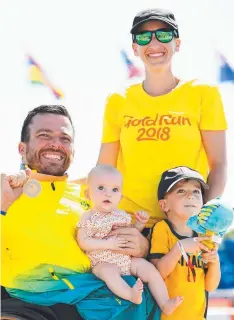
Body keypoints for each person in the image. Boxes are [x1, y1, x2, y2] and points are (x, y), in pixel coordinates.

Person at [1, 105, 157, 320]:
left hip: (90, 296)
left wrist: (141, 246)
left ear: (73, 150)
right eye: (44, 135)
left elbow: (123, 240)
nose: (56, 144)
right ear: (22, 148)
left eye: (65, 139)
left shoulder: (90, 196)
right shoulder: (6, 190)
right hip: (28, 300)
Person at [94, 8, 228, 229]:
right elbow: (103, 171)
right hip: (130, 225)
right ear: (135, 48)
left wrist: (200, 222)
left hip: (183, 226)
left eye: (164, 34)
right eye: (144, 37)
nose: (154, 42)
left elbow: (219, 165)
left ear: (178, 43)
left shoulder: (204, 93)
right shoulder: (118, 100)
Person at [77, 164, 183, 314]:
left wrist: (138, 224)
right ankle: (130, 294)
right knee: (109, 273)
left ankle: (164, 302)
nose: (108, 194)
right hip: (102, 261)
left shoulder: (121, 214)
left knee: (149, 270)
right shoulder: (88, 216)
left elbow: (130, 233)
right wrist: (108, 244)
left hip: (126, 260)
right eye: (101, 188)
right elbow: (84, 241)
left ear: (120, 196)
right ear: (88, 194)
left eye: (114, 190)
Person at [149, 166, 221, 320]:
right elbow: (158, 273)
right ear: (164, 205)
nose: (191, 196)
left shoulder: (205, 235)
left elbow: (211, 286)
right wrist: (179, 248)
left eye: (196, 191)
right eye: (181, 191)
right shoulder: (162, 229)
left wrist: (215, 262)